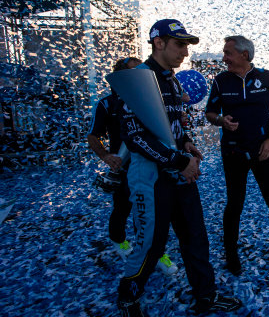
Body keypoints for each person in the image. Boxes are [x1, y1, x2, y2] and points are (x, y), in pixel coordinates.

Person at [116, 20, 241, 316]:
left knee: (195, 237)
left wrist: (186, 143)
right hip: (150, 178)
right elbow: (134, 135)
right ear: (158, 43)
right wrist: (179, 161)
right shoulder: (137, 78)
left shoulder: (172, 80)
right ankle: (128, 298)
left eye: (186, 45)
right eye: (179, 44)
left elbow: (172, 125)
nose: (185, 52)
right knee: (151, 245)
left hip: (180, 172)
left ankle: (206, 297)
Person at [205, 35, 269, 276]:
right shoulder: (220, 80)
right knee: (234, 204)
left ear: (244, 55)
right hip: (233, 151)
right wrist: (220, 120)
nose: (224, 57)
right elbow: (209, 113)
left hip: (262, 150)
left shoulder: (267, 77)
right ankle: (231, 253)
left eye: (227, 53)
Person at [88, 56, 178, 275]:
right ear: (120, 79)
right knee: (123, 208)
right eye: (134, 71)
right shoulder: (107, 104)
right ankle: (119, 241)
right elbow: (93, 136)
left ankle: (154, 252)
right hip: (123, 167)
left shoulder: (149, 99)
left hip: (151, 164)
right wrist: (107, 156)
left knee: (150, 212)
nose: (141, 75)